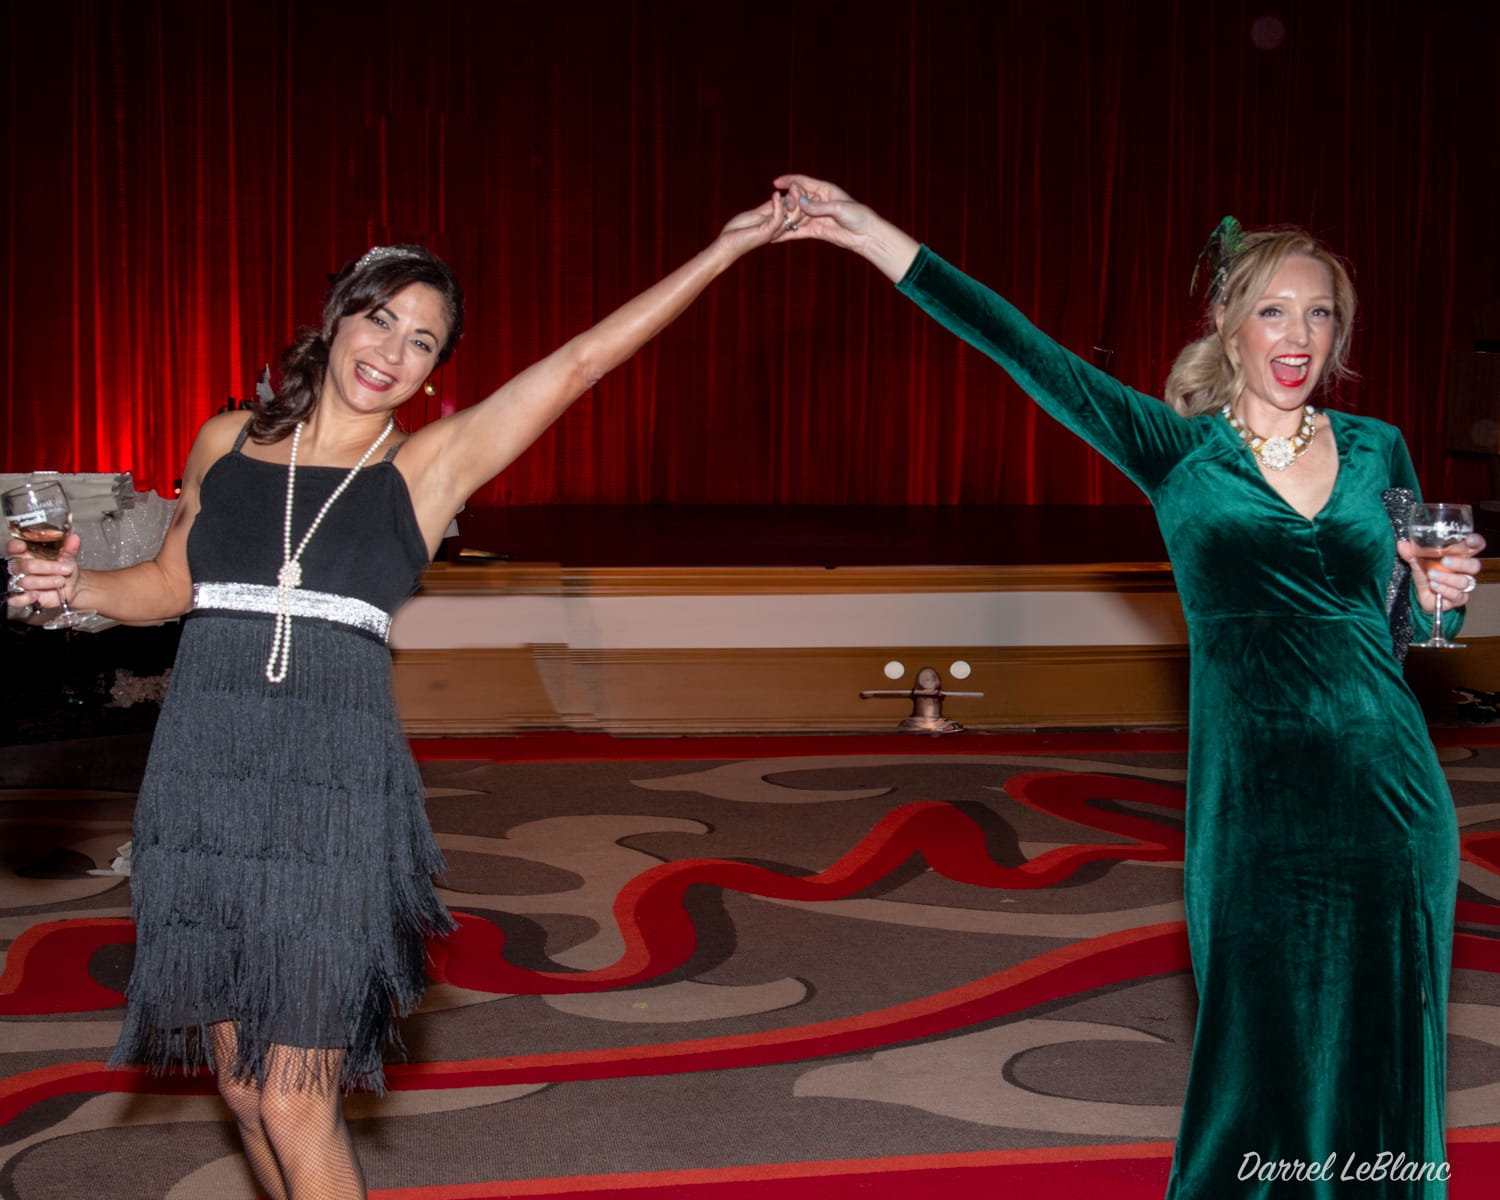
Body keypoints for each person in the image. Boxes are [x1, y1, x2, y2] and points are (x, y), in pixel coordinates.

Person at [4, 193, 795, 1200]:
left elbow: (581, 364)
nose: (392, 351)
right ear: (338, 316)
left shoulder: (423, 469)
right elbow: (169, 585)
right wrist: (74, 588)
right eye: (380, 319)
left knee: (295, 1100)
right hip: (203, 784)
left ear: (434, 370)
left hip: (331, 797)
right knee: (243, 1091)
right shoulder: (226, 442)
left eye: (421, 342)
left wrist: (723, 250)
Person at [773, 173, 1482, 1198]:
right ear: (1229, 325)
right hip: (1253, 806)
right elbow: (1025, 350)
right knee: (1258, 1043)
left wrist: (1436, 594)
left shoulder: (1381, 450)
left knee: (1384, 1037)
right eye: (1273, 310)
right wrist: (870, 234)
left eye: (1320, 314)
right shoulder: (1177, 452)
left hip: (1390, 794)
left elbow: (1403, 627)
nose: (1298, 335)